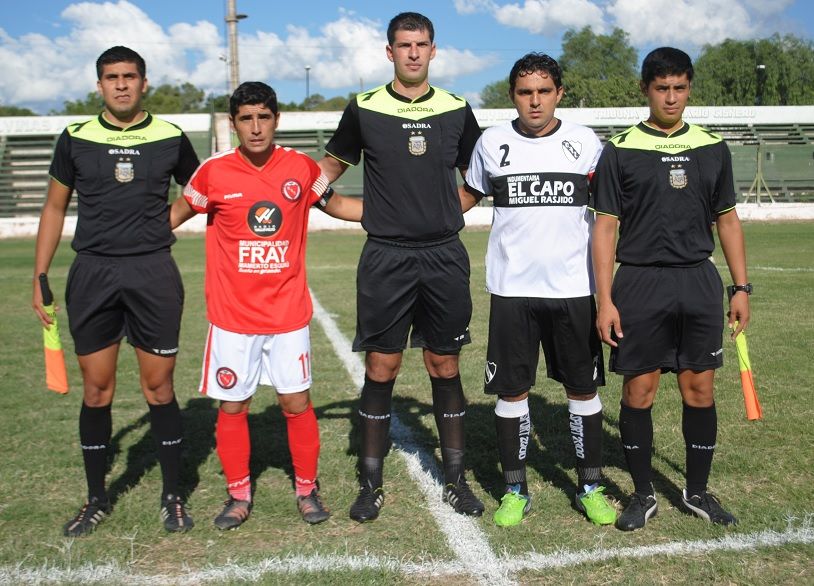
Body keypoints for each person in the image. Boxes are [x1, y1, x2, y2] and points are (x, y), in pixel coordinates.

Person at [170, 81, 362, 529]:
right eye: (246, 119)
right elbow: (176, 214)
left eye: (263, 117)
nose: (255, 127)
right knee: (233, 407)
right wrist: (128, 248)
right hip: (232, 318)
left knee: (296, 403)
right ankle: (238, 494)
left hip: (287, 315)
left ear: (277, 119)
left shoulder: (300, 168)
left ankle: (307, 489)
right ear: (233, 123)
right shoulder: (213, 172)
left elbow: (336, 204)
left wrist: (399, 216)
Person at [318, 12, 484, 522]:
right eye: (404, 45)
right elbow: (329, 169)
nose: (414, 52)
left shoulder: (456, 108)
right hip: (385, 257)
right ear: (389, 51)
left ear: (434, 50)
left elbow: (478, 176)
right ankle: (370, 486)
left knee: (444, 364)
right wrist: (314, 192)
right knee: (381, 366)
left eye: (422, 44)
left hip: (443, 255)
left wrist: (445, 213)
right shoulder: (364, 107)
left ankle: (455, 481)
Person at [32, 46, 200, 536]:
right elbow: (54, 208)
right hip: (93, 274)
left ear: (144, 83)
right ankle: (96, 498)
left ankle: (173, 496)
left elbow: (199, 192)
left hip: (153, 272)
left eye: (129, 76)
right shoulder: (76, 137)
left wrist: (162, 224)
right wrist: (40, 276)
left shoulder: (170, 136)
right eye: (112, 77)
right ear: (99, 85)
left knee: (159, 387)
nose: (121, 84)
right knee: (97, 389)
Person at [591, 47, 750, 531]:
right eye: (662, 88)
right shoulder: (620, 148)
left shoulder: (712, 147)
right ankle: (642, 494)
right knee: (639, 391)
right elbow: (605, 228)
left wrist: (741, 287)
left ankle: (697, 490)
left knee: (699, 388)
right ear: (645, 89)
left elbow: (727, 219)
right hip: (639, 281)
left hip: (697, 280)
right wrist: (604, 300)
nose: (671, 97)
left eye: (680, 88)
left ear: (689, 89)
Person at [461, 53, 616, 528]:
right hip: (512, 290)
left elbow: (611, 211)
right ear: (513, 95)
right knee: (512, 392)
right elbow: (465, 196)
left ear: (559, 94)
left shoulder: (585, 143)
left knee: (583, 388)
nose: (535, 101)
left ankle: (590, 487)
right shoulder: (492, 143)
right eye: (525, 92)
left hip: (573, 288)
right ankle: (515, 491)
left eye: (544, 91)